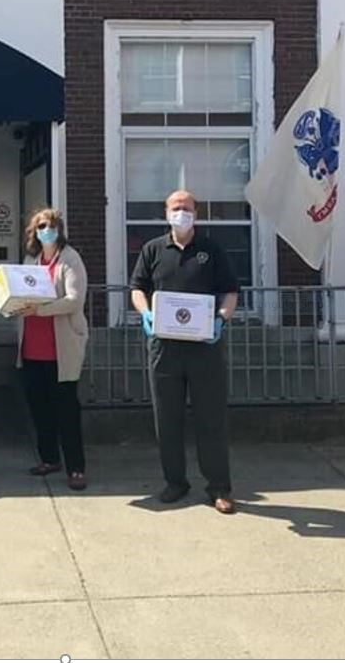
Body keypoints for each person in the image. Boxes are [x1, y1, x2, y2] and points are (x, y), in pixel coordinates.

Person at [130, 190, 240, 514]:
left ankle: (219, 487)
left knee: (211, 418)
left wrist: (221, 319)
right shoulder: (153, 250)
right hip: (164, 348)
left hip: (205, 348)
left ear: (196, 213)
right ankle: (175, 482)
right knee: (167, 418)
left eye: (188, 208)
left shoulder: (211, 249)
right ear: (166, 213)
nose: (182, 212)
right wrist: (146, 313)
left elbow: (230, 291)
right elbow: (137, 288)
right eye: (176, 208)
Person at [14, 208, 90, 491]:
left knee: (66, 411)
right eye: (42, 225)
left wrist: (40, 309)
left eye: (52, 225)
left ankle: (76, 468)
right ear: (34, 231)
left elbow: (74, 300)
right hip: (31, 348)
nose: (47, 229)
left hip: (61, 349)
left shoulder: (70, 259)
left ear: (60, 230)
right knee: (39, 409)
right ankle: (49, 459)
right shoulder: (30, 260)